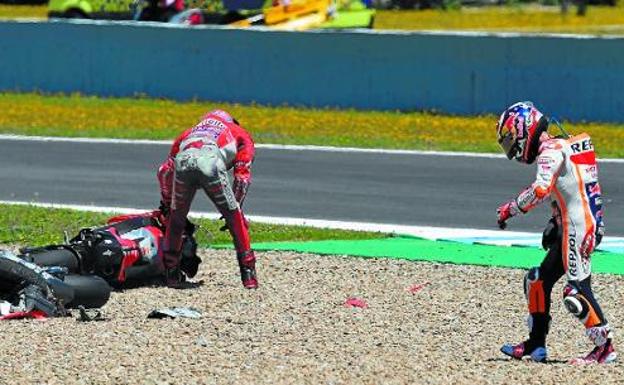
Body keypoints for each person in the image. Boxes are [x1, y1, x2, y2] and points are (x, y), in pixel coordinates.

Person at [495, 101, 616, 364]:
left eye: (511, 140)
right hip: (575, 224)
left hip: (579, 227)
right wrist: (557, 219)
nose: (512, 150)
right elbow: (575, 187)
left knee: (575, 292)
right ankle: (536, 345)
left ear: (523, 130)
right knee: (537, 281)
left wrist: (510, 209)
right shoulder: (566, 143)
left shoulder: (550, 151)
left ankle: (604, 348)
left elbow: (540, 189)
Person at [157, 109, 257, 289]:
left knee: (176, 218)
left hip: (183, 162)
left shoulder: (189, 132)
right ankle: (249, 276)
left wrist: (166, 203)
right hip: (210, 163)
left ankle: (171, 273)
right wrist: (235, 206)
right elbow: (242, 178)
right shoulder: (240, 133)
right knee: (236, 220)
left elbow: (164, 171)